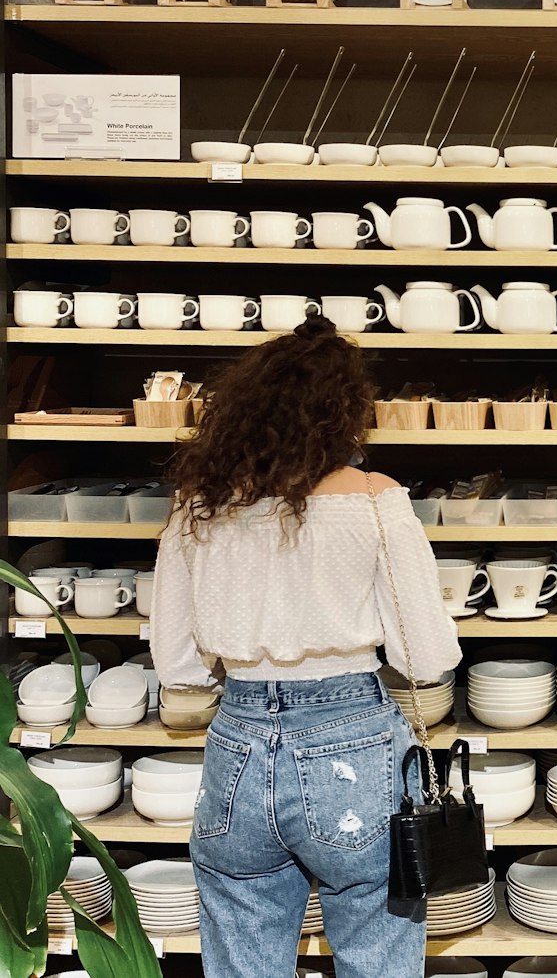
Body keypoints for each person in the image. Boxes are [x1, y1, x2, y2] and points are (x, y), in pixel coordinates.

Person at [150, 315, 461, 978]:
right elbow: (424, 654)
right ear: (345, 412)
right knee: (377, 952)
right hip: (352, 740)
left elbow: (176, 660)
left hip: (235, 744)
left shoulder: (200, 501)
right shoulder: (378, 501)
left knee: (243, 956)